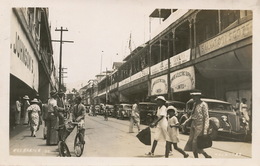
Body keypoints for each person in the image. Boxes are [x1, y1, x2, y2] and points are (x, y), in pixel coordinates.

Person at [183, 91, 211, 158]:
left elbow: (206, 117)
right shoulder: (195, 104)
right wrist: (186, 122)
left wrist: (205, 130)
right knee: (193, 142)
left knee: (195, 143)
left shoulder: (203, 104)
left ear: (199, 97)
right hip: (194, 125)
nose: (193, 98)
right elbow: (193, 115)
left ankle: (197, 159)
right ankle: (205, 155)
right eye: (193, 96)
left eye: (195, 96)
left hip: (200, 126)